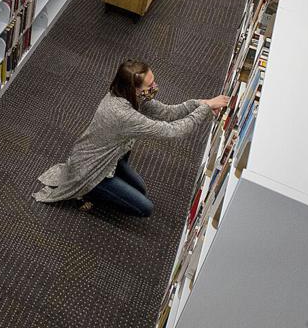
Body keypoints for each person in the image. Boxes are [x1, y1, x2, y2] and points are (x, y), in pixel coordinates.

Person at [33, 60, 229, 216]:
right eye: (150, 84)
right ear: (135, 88)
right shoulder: (123, 115)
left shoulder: (128, 95)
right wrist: (205, 108)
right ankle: (88, 190)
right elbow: (172, 130)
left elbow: (168, 113)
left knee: (140, 190)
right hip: (91, 170)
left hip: (109, 156)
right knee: (145, 208)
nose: (155, 86)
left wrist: (202, 103)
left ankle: (109, 181)